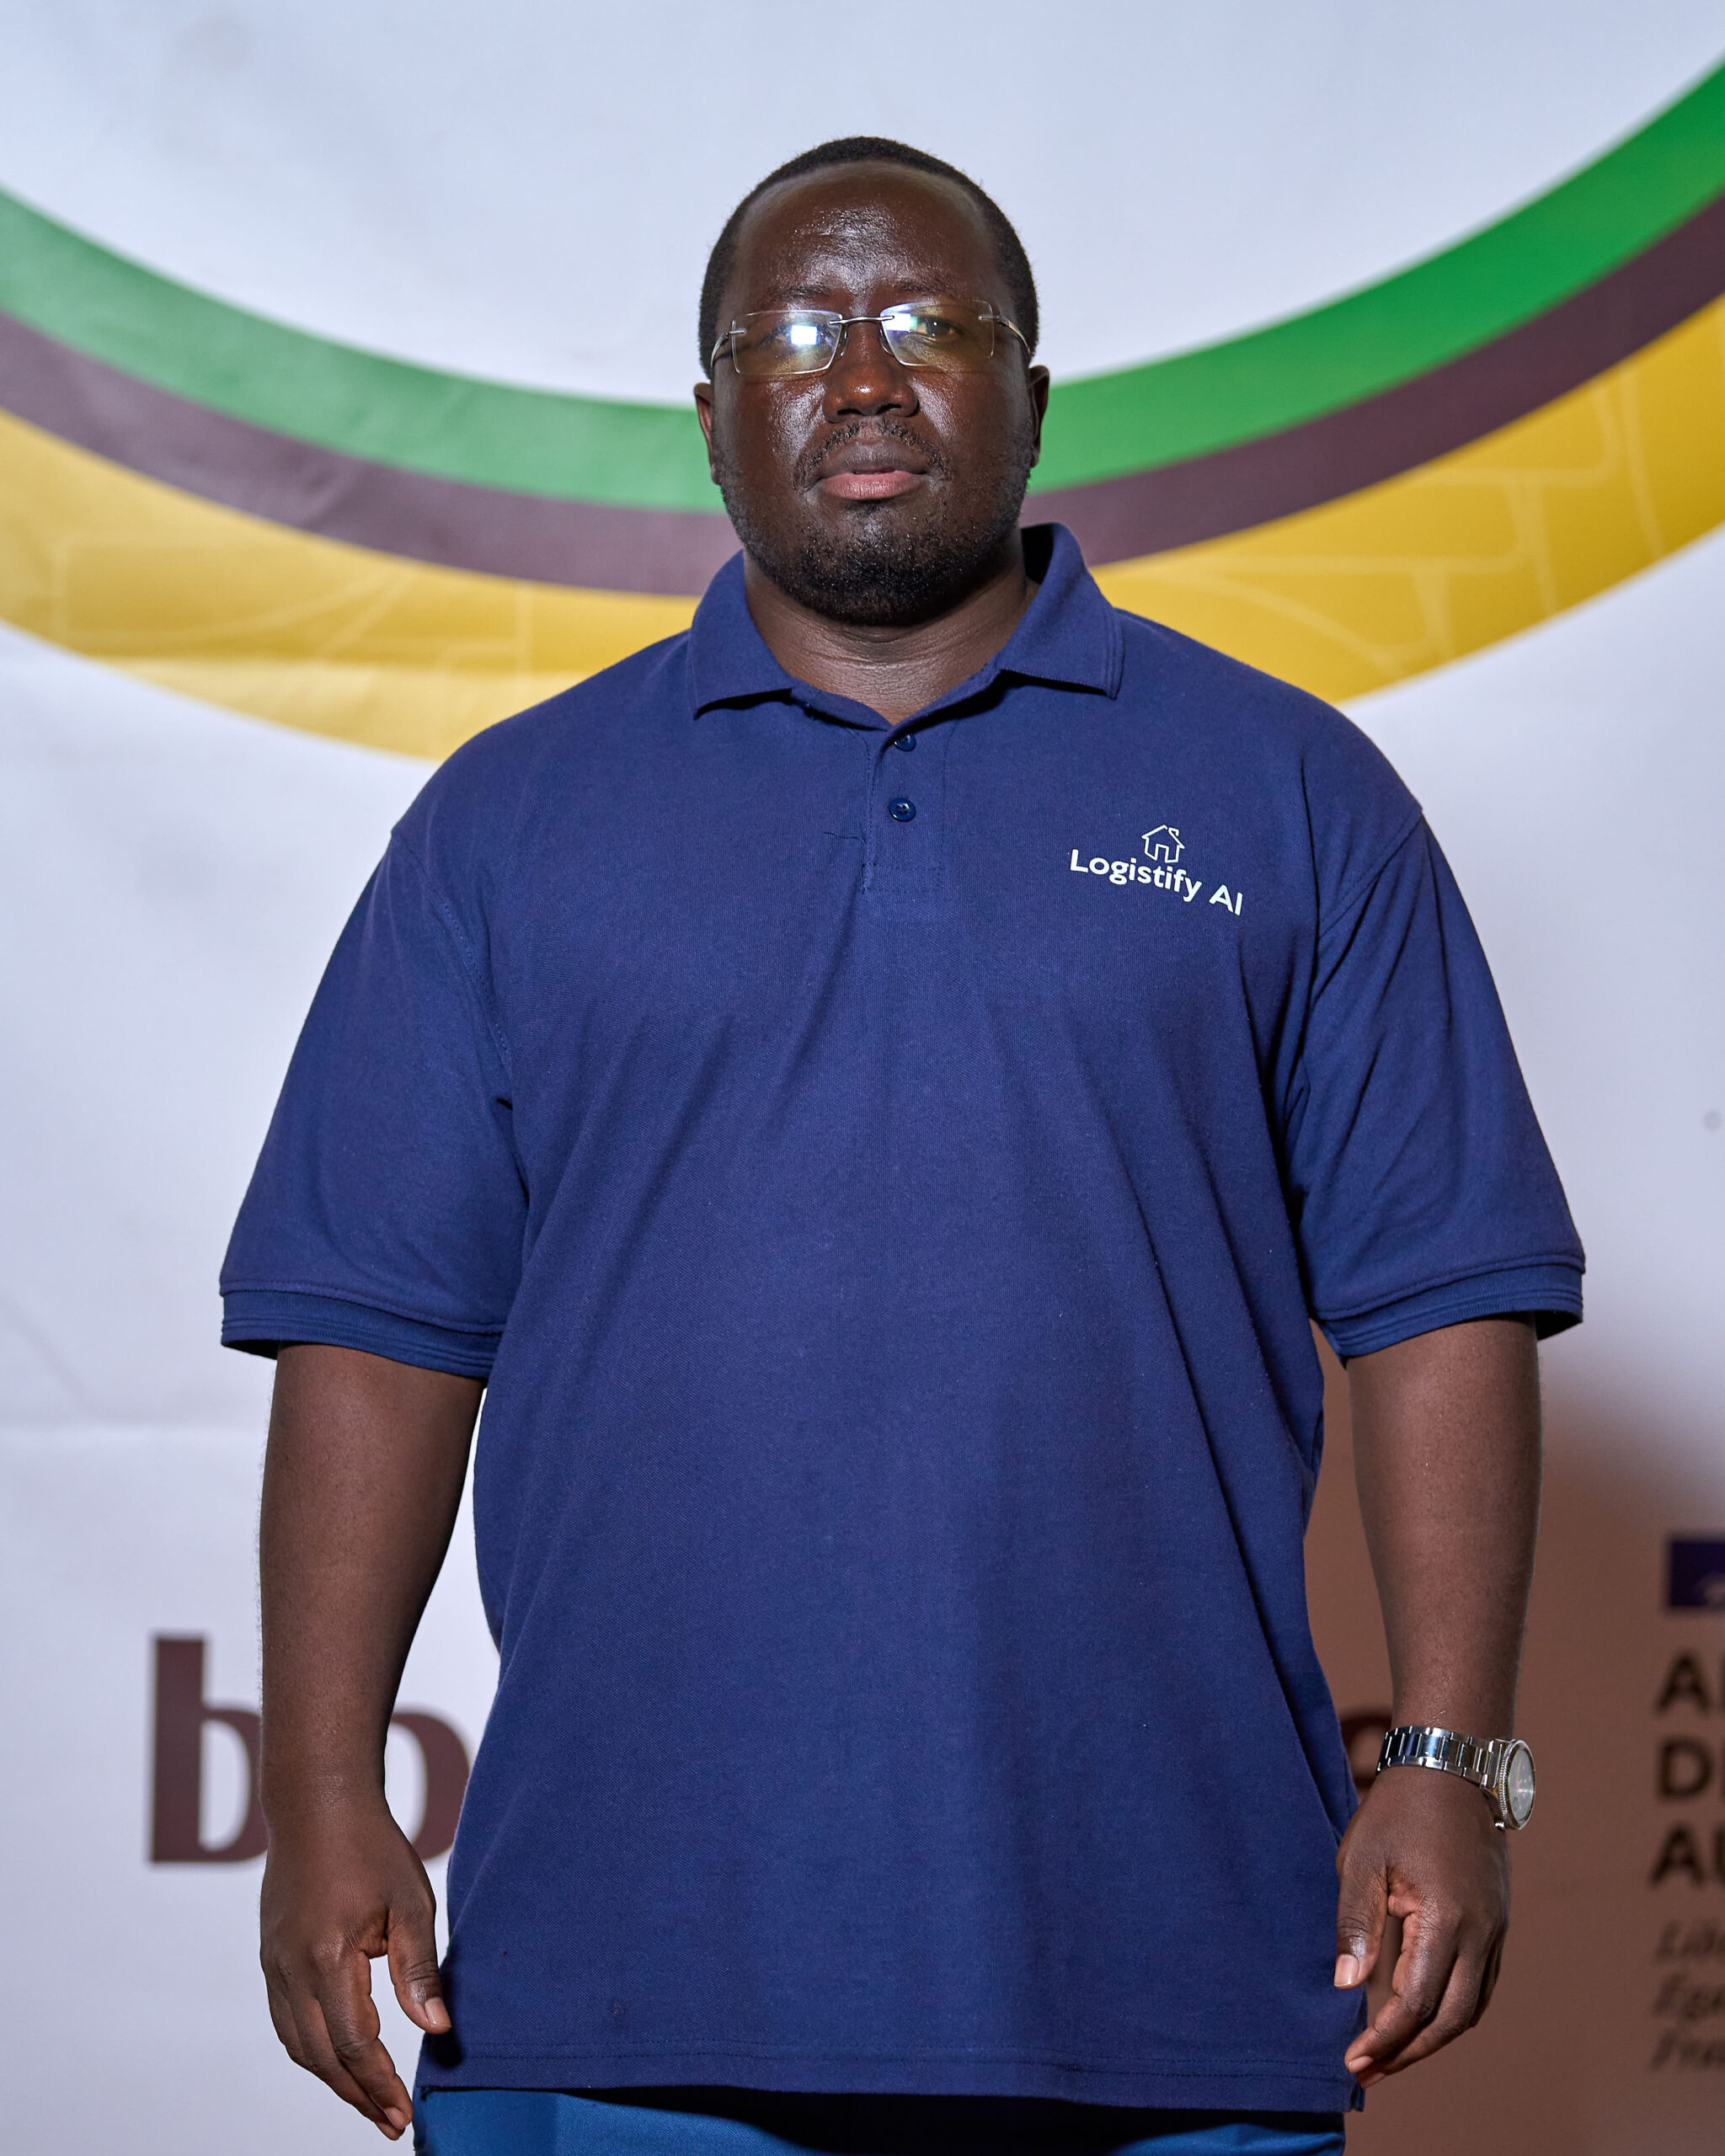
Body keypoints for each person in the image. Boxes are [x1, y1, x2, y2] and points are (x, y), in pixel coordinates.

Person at [222, 138, 1582, 2156]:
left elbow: (1440, 1296)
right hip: (617, 1973)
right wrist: (327, 1786)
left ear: (1032, 388)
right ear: (709, 413)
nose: (862, 375)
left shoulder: (1290, 790)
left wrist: (1453, 1762)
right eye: (793, 334)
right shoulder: (509, 821)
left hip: (1173, 1980)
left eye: (930, 323)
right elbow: (377, 1329)